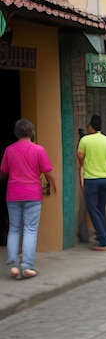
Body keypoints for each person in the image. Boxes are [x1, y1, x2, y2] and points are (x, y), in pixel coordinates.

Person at [0, 118, 56, 279]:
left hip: (13, 194)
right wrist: (53, 184)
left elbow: (3, 172)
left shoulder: (9, 150)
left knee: (14, 229)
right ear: (31, 132)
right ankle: (27, 266)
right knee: (30, 230)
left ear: (16, 133)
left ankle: (14, 265)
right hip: (32, 194)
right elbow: (47, 171)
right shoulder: (39, 150)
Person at [77, 114, 106, 251]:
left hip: (92, 180)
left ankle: (105, 241)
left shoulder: (85, 140)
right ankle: (103, 237)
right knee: (99, 209)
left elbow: (80, 158)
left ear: (90, 126)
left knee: (93, 209)